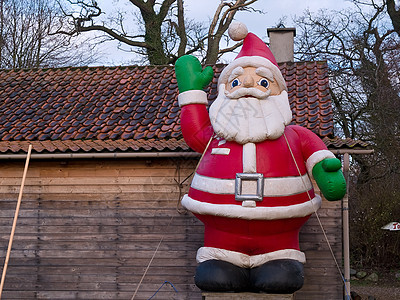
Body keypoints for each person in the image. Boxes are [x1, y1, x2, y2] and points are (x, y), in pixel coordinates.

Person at [174, 21, 346, 294]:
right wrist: (191, 94)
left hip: (280, 234)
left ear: (279, 92)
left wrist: (327, 172)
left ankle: (279, 260)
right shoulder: (216, 134)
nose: (249, 87)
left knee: (280, 278)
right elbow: (194, 132)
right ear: (225, 90)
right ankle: (222, 260)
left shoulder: (295, 135)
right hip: (221, 234)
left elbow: (319, 156)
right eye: (237, 81)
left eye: (263, 82)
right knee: (216, 277)